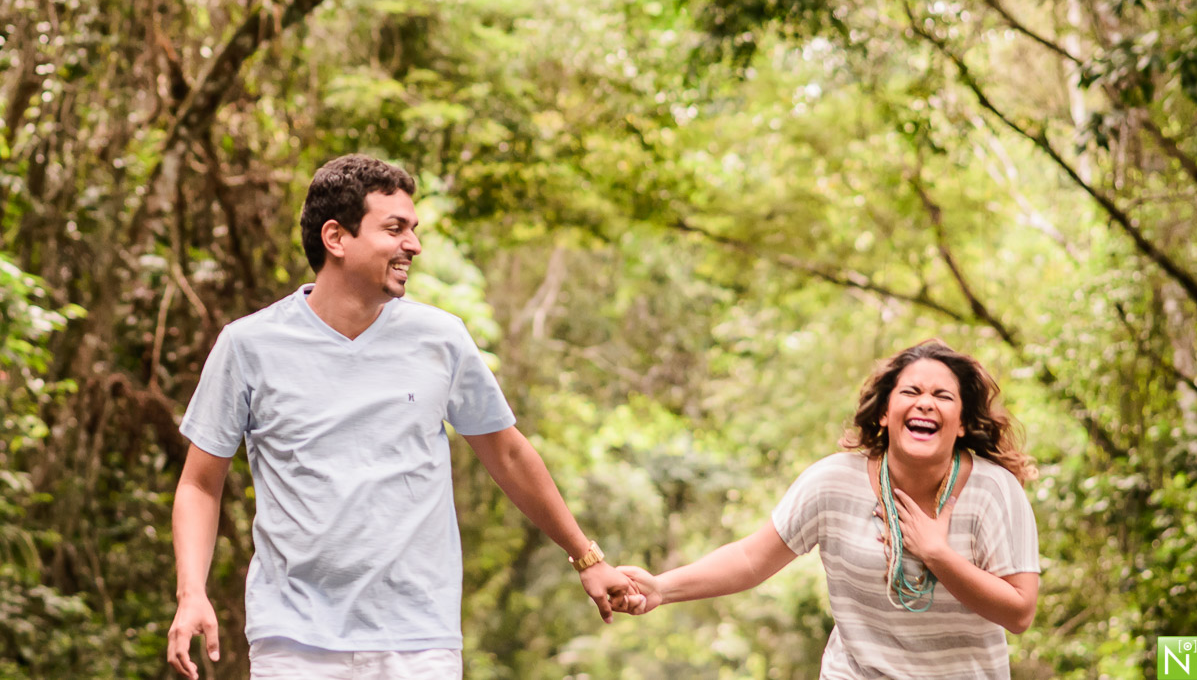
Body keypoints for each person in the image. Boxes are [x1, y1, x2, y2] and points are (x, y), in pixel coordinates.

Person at [166, 154, 633, 680]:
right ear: (336, 238)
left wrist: (587, 558)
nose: (413, 244)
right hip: (294, 641)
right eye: (395, 228)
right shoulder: (249, 345)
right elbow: (201, 485)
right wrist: (191, 594)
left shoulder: (441, 339)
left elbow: (507, 453)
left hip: (418, 641)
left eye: (413, 229)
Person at [613, 339, 1040, 679]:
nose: (925, 402)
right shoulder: (832, 481)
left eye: (942, 396)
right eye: (911, 391)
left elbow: (1020, 612)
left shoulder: (995, 491)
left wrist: (938, 555)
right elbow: (750, 559)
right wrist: (661, 588)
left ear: (962, 421)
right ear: (885, 414)